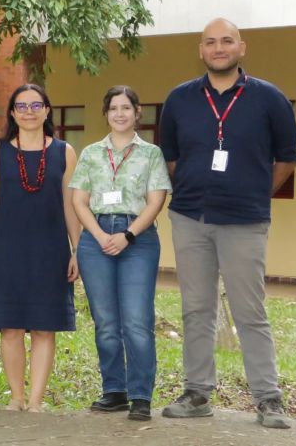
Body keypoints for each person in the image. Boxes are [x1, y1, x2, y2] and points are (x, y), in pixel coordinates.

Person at [158, 18, 296, 429]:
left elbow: (288, 157)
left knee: (249, 311)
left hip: (244, 221)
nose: (218, 48)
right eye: (210, 42)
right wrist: (191, 187)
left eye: (226, 41)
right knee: (195, 309)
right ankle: (197, 392)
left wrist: (255, 194)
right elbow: (171, 157)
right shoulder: (180, 99)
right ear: (201, 51)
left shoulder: (269, 99)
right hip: (190, 218)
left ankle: (268, 399)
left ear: (241, 47)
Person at [0, 84, 80, 413]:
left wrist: (76, 250)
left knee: (45, 327)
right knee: (11, 325)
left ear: (47, 110)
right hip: (7, 248)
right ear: (13, 112)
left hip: (50, 250)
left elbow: (70, 203)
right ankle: (16, 396)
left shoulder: (65, 152)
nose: (29, 112)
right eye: (22, 106)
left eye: (36, 105)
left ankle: (35, 401)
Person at [70, 86, 171, 421]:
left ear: (137, 112)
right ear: (106, 113)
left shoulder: (151, 154)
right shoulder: (91, 153)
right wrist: (99, 235)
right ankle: (114, 390)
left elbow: (156, 200)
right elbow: (79, 201)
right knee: (106, 322)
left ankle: (141, 395)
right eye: (113, 108)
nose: (119, 114)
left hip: (137, 239)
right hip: (95, 238)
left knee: (137, 321)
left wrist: (127, 235)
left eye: (126, 107)